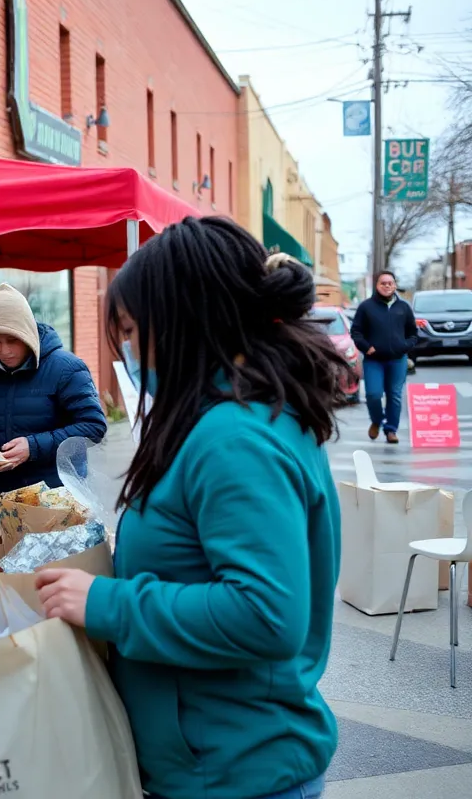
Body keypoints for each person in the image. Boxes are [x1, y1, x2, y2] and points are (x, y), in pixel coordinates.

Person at [35, 218, 343, 799]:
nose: (127, 350)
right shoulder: (227, 417)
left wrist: (107, 603)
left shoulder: (234, 438)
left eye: (131, 330)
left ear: (182, 320)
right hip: (210, 762)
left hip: (237, 768)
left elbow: (266, 614)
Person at [0, 283, 106, 494]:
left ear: (28, 335)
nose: (5, 351)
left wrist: (33, 447)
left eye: (13, 340)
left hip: (58, 495)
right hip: (2, 495)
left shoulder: (67, 368)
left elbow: (93, 427)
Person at [350, 270, 418, 444]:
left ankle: (391, 430)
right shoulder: (366, 307)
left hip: (397, 360)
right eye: (383, 283)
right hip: (374, 361)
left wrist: (405, 346)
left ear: (395, 285)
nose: (387, 286)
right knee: (373, 394)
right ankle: (377, 420)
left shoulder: (404, 307)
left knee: (394, 395)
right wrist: (367, 347)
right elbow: (356, 332)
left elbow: (413, 333)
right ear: (377, 285)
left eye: (390, 283)